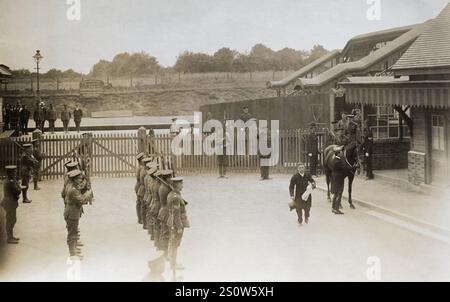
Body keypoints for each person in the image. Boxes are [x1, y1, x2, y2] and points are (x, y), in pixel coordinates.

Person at [64, 170, 93, 259]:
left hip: (71, 212)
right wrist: (88, 194)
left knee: (74, 232)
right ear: (74, 179)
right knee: (72, 234)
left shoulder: (71, 186)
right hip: (72, 214)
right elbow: (81, 201)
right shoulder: (73, 190)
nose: (80, 180)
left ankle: (74, 250)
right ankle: (73, 254)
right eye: (79, 178)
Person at [166, 177, 190, 273]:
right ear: (176, 185)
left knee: (173, 244)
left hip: (173, 222)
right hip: (176, 224)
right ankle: (173, 264)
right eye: (181, 183)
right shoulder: (175, 197)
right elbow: (176, 214)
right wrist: (179, 227)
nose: (182, 185)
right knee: (175, 245)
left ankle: (173, 262)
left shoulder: (174, 194)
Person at [1, 166, 23, 244]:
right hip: (9, 202)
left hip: (11, 202)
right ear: (10, 173)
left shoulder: (11, 180)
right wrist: (19, 187)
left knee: (12, 219)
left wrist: (18, 185)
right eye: (14, 171)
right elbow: (17, 191)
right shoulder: (10, 181)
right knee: (10, 220)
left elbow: (17, 188)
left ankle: (11, 236)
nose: (15, 172)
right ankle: (9, 238)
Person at [330, 147, 354, 215]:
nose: (342, 153)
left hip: (335, 178)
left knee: (335, 193)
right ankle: (336, 209)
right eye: (341, 152)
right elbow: (345, 168)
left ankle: (333, 208)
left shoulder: (335, 159)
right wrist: (354, 167)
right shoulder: (338, 161)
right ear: (338, 153)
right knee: (339, 193)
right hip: (339, 179)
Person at [156, 169, 173, 255]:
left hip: (163, 211)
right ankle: (164, 254)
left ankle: (161, 251)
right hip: (166, 212)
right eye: (170, 177)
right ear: (166, 178)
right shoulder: (166, 188)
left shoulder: (164, 186)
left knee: (164, 233)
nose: (171, 179)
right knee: (166, 234)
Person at [138, 158, 153, 226]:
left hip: (142, 189)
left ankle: (143, 221)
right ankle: (144, 223)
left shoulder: (143, 170)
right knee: (144, 207)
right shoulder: (145, 173)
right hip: (143, 190)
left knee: (142, 206)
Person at [134, 153, 145, 224]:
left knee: (139, 202)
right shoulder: (141, 168)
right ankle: (141, 219)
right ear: (141, 160)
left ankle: (140, 218)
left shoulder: (139, 167)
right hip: (140, 186)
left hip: (137, 185)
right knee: (141, 202)